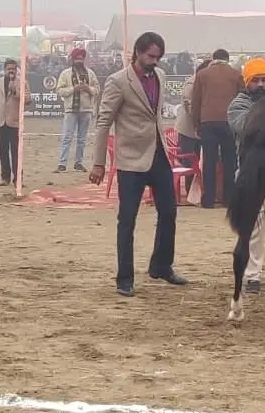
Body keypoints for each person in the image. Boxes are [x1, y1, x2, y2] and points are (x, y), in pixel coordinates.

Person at [89, 31, 187, 297]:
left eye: (158, 57)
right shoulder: (118, 81)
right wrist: (98, 163)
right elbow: (103, 123)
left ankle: (161, 266)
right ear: (138, 52)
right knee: (127, 220)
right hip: (131, 160)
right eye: (151, 56)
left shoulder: (161, 76)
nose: (154, 61)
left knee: (169, 212)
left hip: (159, 155)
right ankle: (125, 278)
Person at [227, 57, 265, 294]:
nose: (261, 84)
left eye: (264, 79)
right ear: (247, 82)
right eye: (256, 80)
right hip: (252, 174)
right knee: (254, 230)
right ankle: (252, 275)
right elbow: (247, 129)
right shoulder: (237, 106)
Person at [191, 48, 243, 208]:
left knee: (209, 161)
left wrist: (196, 124)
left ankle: (208, 200)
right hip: (229, 122)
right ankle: (228, 198)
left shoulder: (202, 75)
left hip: (208, 122)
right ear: (227, 59)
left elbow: (196, 101)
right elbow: (241, 99)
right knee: (230, 161)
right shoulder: (236, 75)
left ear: (213, 59)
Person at [0, 59, 28, 186]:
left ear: (16, 70)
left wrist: (15, 91)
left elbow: (27, 99)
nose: (11, 71)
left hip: (15, 122)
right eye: (9, 69)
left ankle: (18, 178)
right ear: (4, 70)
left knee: (16, 152)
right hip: (0, 121)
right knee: (3, 151)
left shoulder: (22, 82)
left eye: (13, 69)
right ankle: (5, 177)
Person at [55, 47, 99, 173]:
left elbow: (97, 89)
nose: (79, 61)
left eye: (81, 58)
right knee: (67, 137)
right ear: (73, 60)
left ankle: (78, 163)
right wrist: (74, 89)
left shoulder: (90, 73)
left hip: (86, 109)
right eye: (77, 59)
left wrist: (88, 89)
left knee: (82, 139)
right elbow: (59, 90)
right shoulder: (65, 74)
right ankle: (62, 163)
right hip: (71, 110)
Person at [174, 60, 210, 195]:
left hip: (200, 128)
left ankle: (198, 190)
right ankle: (190, 191)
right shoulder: (192, 83)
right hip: (188, 129)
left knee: (200, 160)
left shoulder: (207, 83)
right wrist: (200, 118)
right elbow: (188, 103)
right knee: (189, 161)